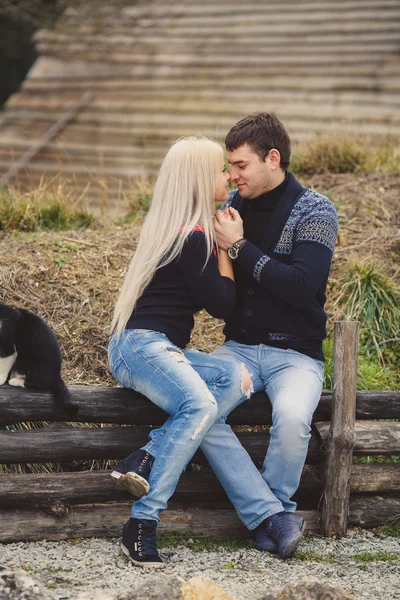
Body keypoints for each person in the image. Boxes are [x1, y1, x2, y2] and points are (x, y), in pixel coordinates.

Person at [116, 113, 339, 560]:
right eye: (228, 167)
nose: (232, 176)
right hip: (239, 348)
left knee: (294, 419)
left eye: (239, 165)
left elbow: (300, 287)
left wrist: (238, 248)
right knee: (204, 413)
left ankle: (275, 513)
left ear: (272, 159)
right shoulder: (224, 210)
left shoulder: (316, 210)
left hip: (297, 353)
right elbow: (217, 293)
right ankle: (269, 519)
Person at [108, 136, 255, 569]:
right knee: (198, 403)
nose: (228, 176)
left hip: (157, 347)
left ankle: (147, 455)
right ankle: (142, 523)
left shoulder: (180, 231)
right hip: (139, 345)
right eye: (220, 170)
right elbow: (222, 304)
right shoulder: (192, 237)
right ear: (198, 180)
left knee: (233, 378)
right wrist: (229, 245)